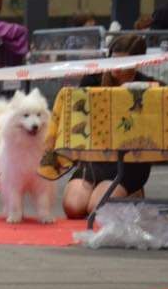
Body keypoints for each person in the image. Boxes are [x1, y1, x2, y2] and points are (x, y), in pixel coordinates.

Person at [62, 35, 158, 219]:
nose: (116, 69)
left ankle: (133, 189)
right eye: (114, 60)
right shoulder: (92, 81)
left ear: (138, 62)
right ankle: (108, 189)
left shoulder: (150, 87)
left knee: (96, 210)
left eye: (123, 63)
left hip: (130, 163)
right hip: (96, 158)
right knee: (73, 208)